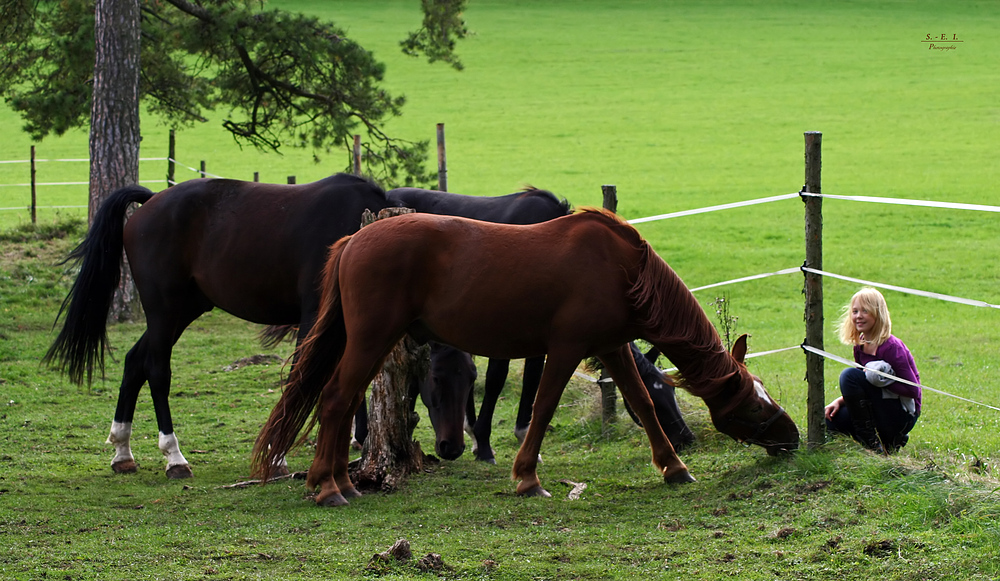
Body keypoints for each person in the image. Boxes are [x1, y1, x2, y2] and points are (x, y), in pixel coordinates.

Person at [824, 287, 921, 454]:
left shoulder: (891, 347)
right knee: (832, 420)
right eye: (855, 311)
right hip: (879, 404)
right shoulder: (860, 346)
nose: (858, 316)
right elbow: (861, 387)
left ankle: (873, 442)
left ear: (878, 314)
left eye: (865, 311)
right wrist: (840, 402)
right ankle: (884, 441)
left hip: (902, 414)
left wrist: (880, 381)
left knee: (848, 375)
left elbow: (912, 390)